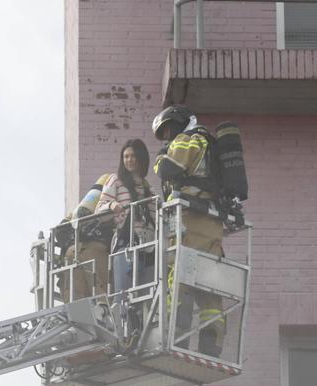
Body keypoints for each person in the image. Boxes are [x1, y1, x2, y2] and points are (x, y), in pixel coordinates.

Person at [151, 105, 225, 357]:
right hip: (213, 225)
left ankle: (176, 342)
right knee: (210, 290)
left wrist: (161, 157)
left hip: (190, 221)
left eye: (168, 130)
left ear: (178, 123)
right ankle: (211, 348)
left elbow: (169, 169)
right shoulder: (209, 143)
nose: (168, 136)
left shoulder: (186, 139)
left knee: (179, 280)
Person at [94, 139, 157, 296]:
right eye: (126, 156)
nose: (129, 160)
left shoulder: (148, 188)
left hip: (148, 249)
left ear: (141, 158)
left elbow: (156, 219)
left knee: (145, 300)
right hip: (126, 246)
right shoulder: (116, 180)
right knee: (123, 299)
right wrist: (112, 206)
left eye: (133, 156)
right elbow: (99, 211)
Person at [55, 173, 113, 301]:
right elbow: (62, 229)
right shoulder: (80, 212)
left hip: (91, 256)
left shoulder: (111, 213)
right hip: (76, 255)